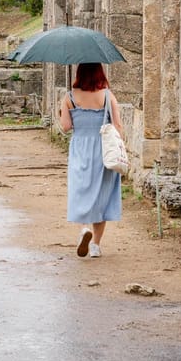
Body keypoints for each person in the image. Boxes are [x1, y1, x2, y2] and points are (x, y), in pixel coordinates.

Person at [59, 62, 123, 258]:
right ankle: (95, 245)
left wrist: (62, 112)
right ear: (99, 72)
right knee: (101, 195)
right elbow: (118, 126)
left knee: (81, 190)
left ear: (79, 73)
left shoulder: (69, 97)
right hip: (103, 150)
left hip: (80, 148)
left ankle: (84, 228)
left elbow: (66, 127)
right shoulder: (107, 95)